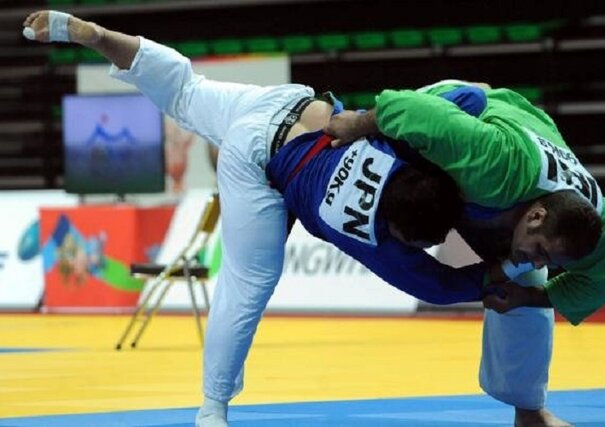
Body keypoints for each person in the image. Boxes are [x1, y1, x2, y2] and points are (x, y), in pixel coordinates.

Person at [22, 11, 518, 427]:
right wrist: (495, 276)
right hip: (256, 158)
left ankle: (92, 33)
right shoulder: (369, 233)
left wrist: (476, 109)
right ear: (397, 229)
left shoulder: (402, 146)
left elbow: (470, 95)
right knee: (250, 279)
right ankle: (211, 410)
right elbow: (435, 286)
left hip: (286, 102)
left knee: (185, 91)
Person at [325, 79, 605, 427]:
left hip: (501, 162)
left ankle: (530, 413)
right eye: (541, 249)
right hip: (455, 115)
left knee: (526, 281)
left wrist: (530, 296)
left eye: (551, 260)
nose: (539, 259)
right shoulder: (496, 164)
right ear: (536, 216)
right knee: (395, 212)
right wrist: (356, 124)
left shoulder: (595, 230)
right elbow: (405, 107)